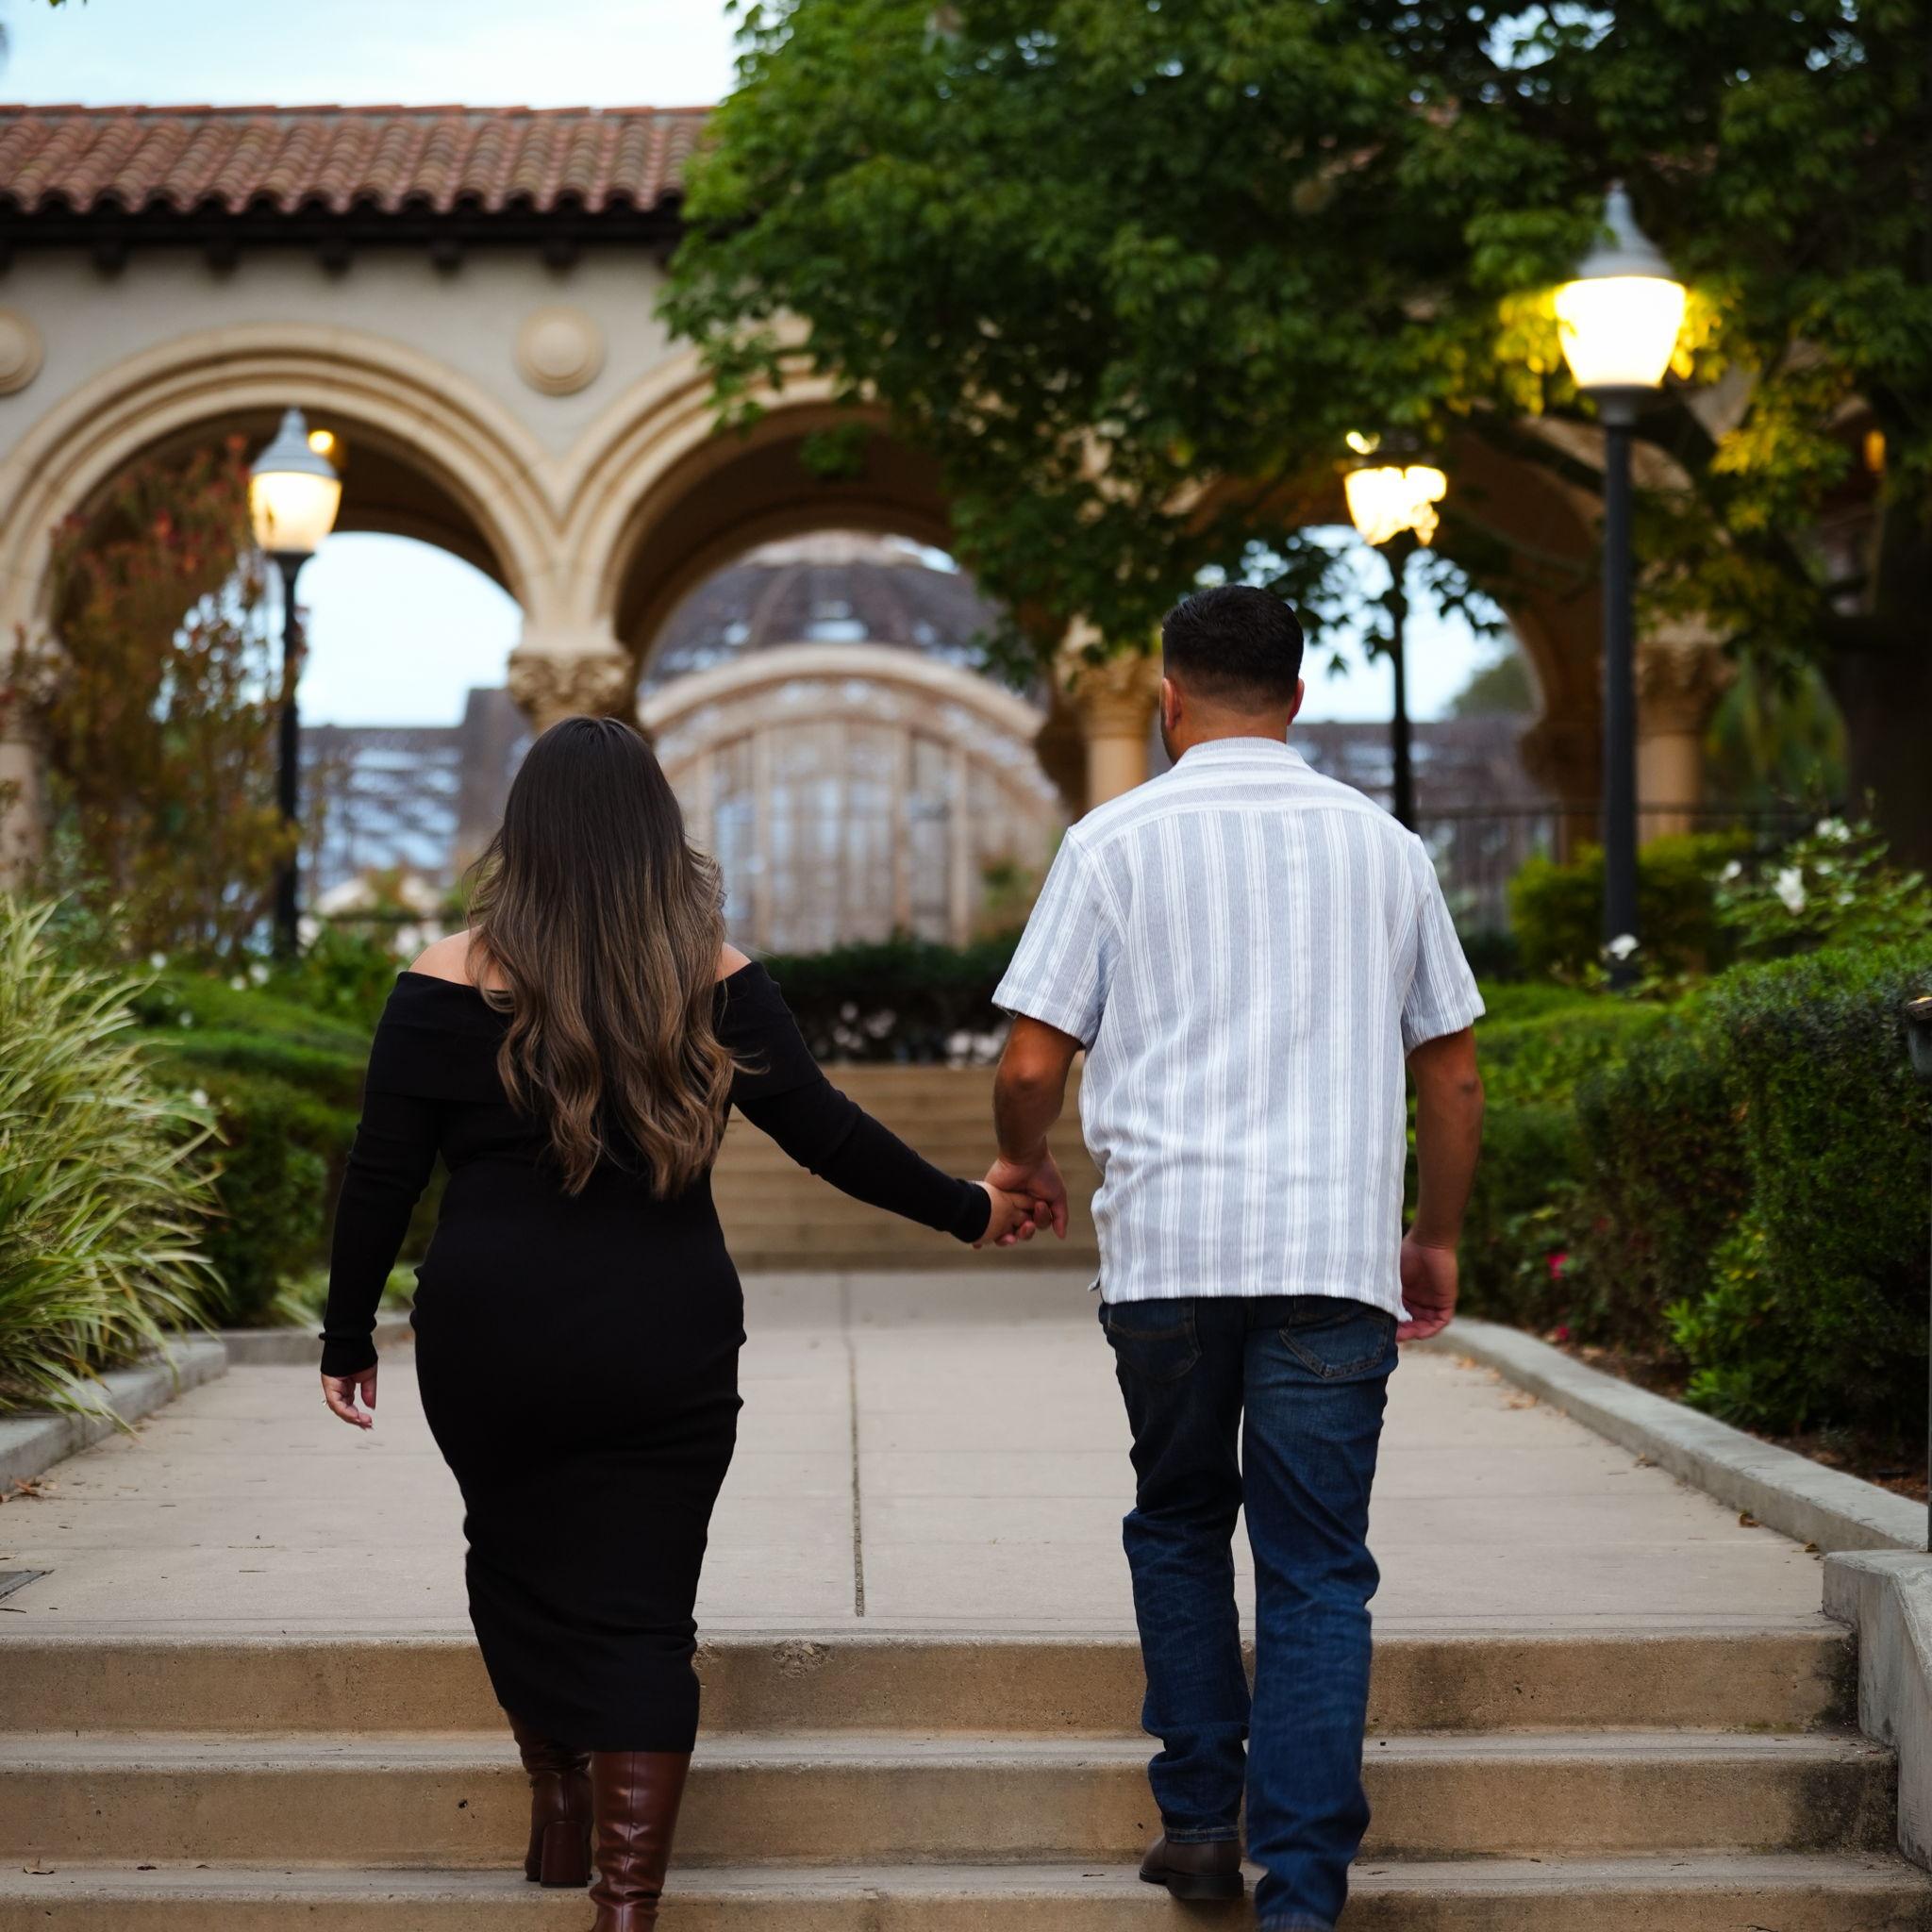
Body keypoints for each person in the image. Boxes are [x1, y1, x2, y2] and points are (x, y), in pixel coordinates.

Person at [318, 715, 1044, 1932]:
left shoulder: (441, 979)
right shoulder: (708, 975)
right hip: (665, 1333)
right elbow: (828, 1133)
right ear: (659, 835)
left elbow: (380, 1177)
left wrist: (346, 1337)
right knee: (647, 1609)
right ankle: (627, 1902)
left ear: (526, 834)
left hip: (490, 1335)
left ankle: (559, 1801)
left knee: (512, 1556)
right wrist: (969, 1210)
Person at [984, 585, 1485, 1931]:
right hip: (1332, 1256)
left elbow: (1030, 1064)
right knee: (1317, 1569)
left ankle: (1202, 1825)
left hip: (1169, 1258)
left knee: (1181, 1522)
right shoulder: (1386, 849)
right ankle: (1302, 1893)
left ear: (1168, 699)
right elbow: (1452, 1073)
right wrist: (1434, 1236)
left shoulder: (1111, 842)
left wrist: (1024, 1163)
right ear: (1299, 699)